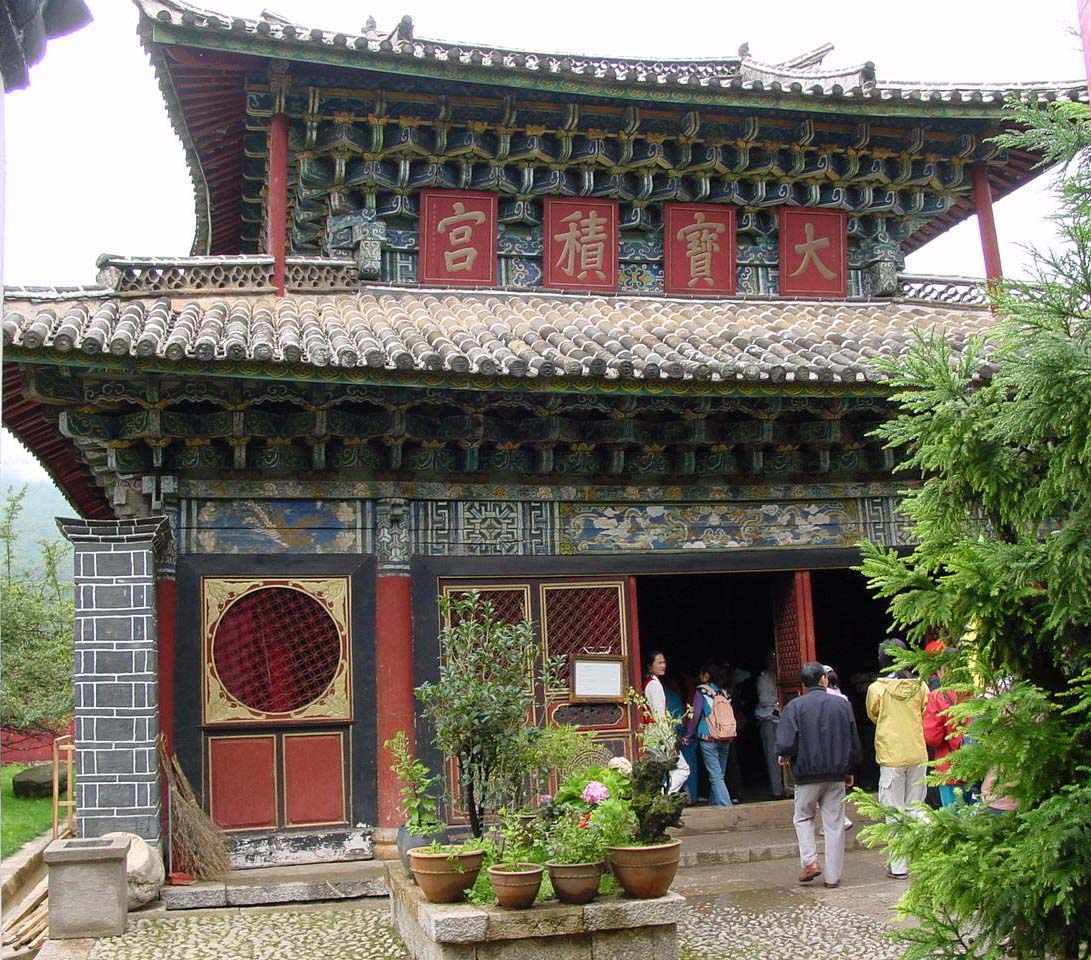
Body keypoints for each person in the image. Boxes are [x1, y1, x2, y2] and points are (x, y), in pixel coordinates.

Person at [776, 661, 861, 889]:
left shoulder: (795, 706)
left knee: (803, 817)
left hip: (806, 774)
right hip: (836, 773)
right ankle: (833, 877)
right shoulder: (842, 705)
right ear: (824, 679)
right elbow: (852, 740)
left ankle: (810, 862)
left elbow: (786, 742)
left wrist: (784, 754)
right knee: (834, 824)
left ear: (803, 684)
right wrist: (851, 768)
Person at [866, 638, 929, 880]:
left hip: (891, 754)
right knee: (916, 807)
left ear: (882, 660)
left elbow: (873, 715)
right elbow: (924, 711)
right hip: (917, 751)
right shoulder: (920, 687)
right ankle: (932, 847)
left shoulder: (877, 689)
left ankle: (899, 865)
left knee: (894, 810)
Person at [682, 661, 734, 806]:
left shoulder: (702, 691)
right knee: (719, 774)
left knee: (715, 775)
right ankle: (714, 804)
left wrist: (688, 734)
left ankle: (726, 807)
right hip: (725, 736)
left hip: (708, 736)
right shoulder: (725, 692)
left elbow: (696, 714)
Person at [644, 649, 690, 795]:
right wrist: (669, 741)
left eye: (664, 662)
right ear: (650, 667)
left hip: (652, 734)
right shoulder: (653, 685)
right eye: (659, 663)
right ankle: (665, 796)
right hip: (658, 735)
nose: (663, 665)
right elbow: (659, 715)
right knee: (683, 769)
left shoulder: (649, 683)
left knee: (660, 771)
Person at [824, 666, 854, 829]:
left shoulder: (824, 698)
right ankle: (839, 819)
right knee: (837, 788)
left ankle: (839, 821)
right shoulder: (843, 697)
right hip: (841, 746)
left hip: (827, 746)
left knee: (825, 791)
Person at [663, 675, 699, 804]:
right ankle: (692, 796)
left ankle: (665, 796)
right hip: (685, 732)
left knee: (671, 766)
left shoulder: (666, 694)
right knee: (688, 764)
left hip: (673, 735)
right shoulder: (676, 695)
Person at [755, 654, 785, 799]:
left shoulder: (785, 675)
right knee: (773, 756)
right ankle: (777, 790)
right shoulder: (763, 677)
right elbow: (764, 699)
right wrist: (778, 701)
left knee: (789, 754)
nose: (773, 663)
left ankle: (791, 788)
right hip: (769, 719)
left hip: (785, 720)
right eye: (771, 659)